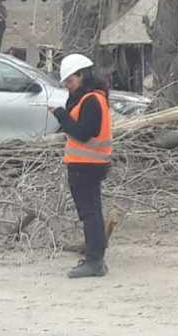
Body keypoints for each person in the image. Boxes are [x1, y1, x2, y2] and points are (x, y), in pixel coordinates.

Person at [49, 54, 112, 278]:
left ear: (82, 75)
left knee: (89, 214)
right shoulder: (90, 97)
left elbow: (84, 133)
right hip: (90, 163)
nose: (68, 85)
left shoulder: (91, 100)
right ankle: (96, 258)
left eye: (70, 80)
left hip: (86, 164)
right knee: (92, 212)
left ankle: (94, 261)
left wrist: (60, 116)